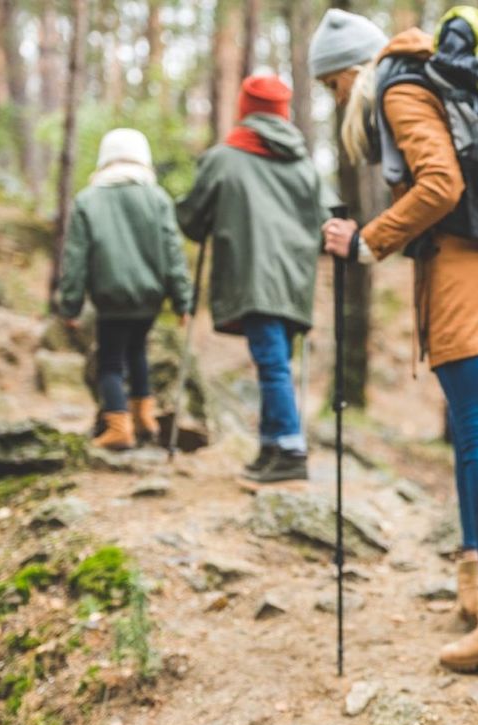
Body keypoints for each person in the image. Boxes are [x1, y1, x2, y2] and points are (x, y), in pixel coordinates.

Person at [311, 9, 478, 672]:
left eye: (333, 84)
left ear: (353, 70)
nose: (336, 99)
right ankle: (475, 588)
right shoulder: (436, 82)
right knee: (472, 437)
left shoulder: (399, 89)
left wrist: (368, 239)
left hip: (467, 281)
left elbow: (441, 184)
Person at [177, 75, 331, 485]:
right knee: (274, 360)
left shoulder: (224, 159)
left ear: (246, 109)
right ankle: (270, 447)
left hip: (252, 274)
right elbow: (327, 222)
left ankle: (290, 449)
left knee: (271, 362)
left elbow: (192, 219)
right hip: (295, 278)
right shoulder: (304, 166)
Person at [56, 128, 193, 451]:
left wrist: (70, 306)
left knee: (110, 363)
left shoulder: (88, 200)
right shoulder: (158, 198)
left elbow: (75, 259)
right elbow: (173, 254)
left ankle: (119, 427)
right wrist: (182, 301)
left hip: (111, 300)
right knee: (137, 352)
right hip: (149, 300)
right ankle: (144, 418)